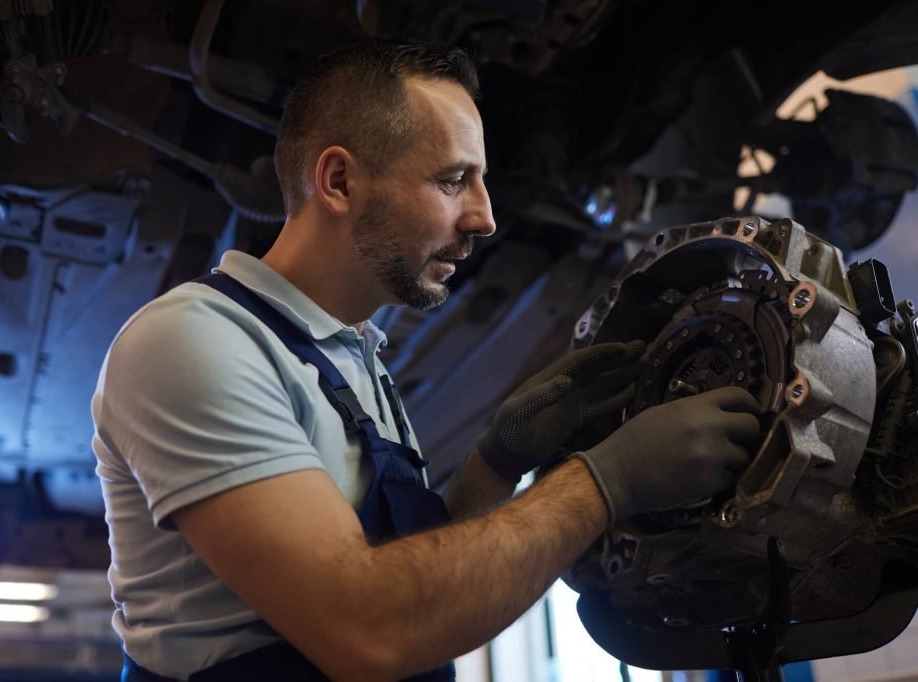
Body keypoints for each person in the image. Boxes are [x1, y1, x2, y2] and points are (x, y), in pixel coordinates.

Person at [91, 42, 761, 682]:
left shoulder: (356, 357)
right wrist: (605, 482)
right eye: (453, 181)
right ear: (339, 180)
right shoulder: (195, 341)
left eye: (482, 183)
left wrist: (494, 466)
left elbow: (418, 579)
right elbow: (368, 629)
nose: (486, 217)